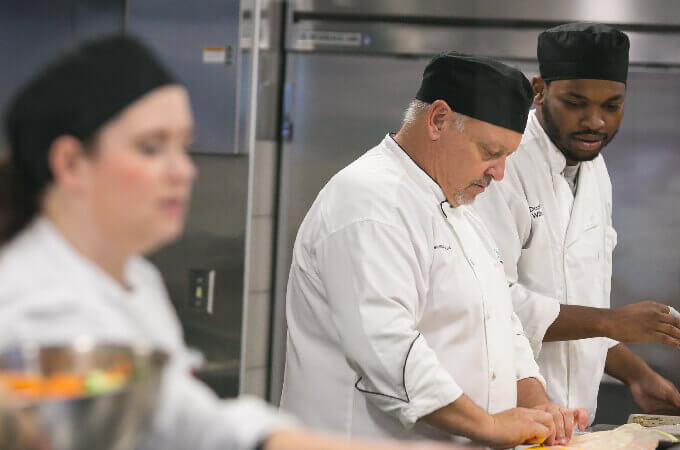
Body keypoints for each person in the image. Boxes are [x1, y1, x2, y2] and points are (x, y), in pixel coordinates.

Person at [0, 34, 468, 450]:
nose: (183, 170)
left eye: (183, 146)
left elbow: (189, 420)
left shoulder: (132, 279)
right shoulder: (36, 305)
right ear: (70, 163)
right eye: (150, 147)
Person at [280, 52, 589, 448]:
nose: (500, 173)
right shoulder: (369, 203)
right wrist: (489, 426)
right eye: (490, 153)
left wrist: (536, 405)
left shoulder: (458, 206)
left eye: (507, 157)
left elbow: (499, 320)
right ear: (438, 119)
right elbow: (387, 352)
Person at [472, 22, 680, 423]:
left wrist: (637, 375)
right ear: (539, 91)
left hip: (575, 417)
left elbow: (580, 296)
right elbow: (487, 300)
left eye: (611, 106)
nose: (595, 121)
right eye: (575, 102)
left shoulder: (595, 169)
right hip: (503, 411)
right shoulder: (504, 165)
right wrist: (611, 321)